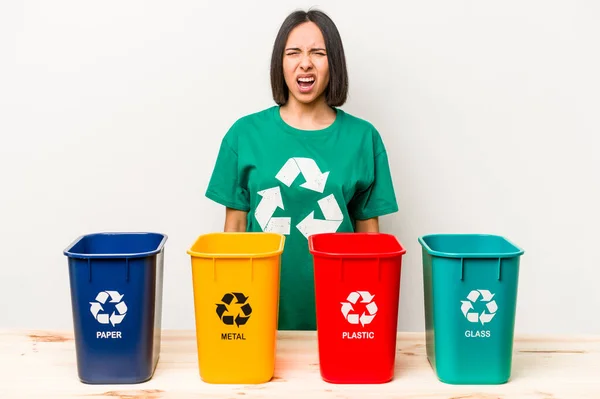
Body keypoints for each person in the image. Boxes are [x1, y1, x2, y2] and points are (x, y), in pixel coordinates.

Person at [204, 9, 398, 331]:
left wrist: (366, 319)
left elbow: (369, 243)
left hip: (343, 312)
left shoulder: (363, 138)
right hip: (255, 311)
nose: (304, 63)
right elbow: (234, 229)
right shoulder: (244, 134)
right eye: (293, 53)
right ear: (280, 63)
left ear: (333, 62)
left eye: (317, 53)